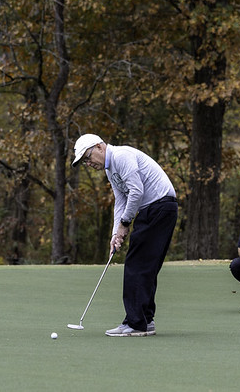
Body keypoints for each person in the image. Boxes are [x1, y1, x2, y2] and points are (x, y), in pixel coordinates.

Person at [72, 133, 178, 337]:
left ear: (99, 147)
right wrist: (116, 233)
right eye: (84, 161)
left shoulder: (121, 156)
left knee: (136, 265)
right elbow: (120, 201)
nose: (88, 163)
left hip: (159, 207)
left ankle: (136, 323)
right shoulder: (111, 170)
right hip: (155, 210)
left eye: (88, 157)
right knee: (144, 266)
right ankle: (145, 321)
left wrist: (125, 223)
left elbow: (136, 191)